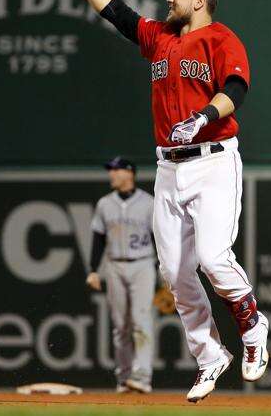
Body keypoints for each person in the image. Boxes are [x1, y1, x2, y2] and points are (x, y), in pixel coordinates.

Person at [53, 0, 269, 402]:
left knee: (212, 257)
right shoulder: (161, 39)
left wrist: (205, 115)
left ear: (199, 1)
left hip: (212, 160)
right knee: (174, 273)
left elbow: (236, 89)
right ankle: (210, 355)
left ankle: (251, 323)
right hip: (168, 167)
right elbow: (118, 13)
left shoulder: (222, 39)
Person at [87, 157, 156, 394]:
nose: (111, 175)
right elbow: (98, 238)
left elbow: (160, 238)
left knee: (141, 320)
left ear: (129, 173)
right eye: (111, 171)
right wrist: (93, 270)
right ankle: (124, 378)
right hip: (114, 265)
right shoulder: (105, 204)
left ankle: (143, 377)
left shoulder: (149, 203)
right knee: (120, 326)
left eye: (115, 170)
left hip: (143, 264)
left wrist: (164, 269)